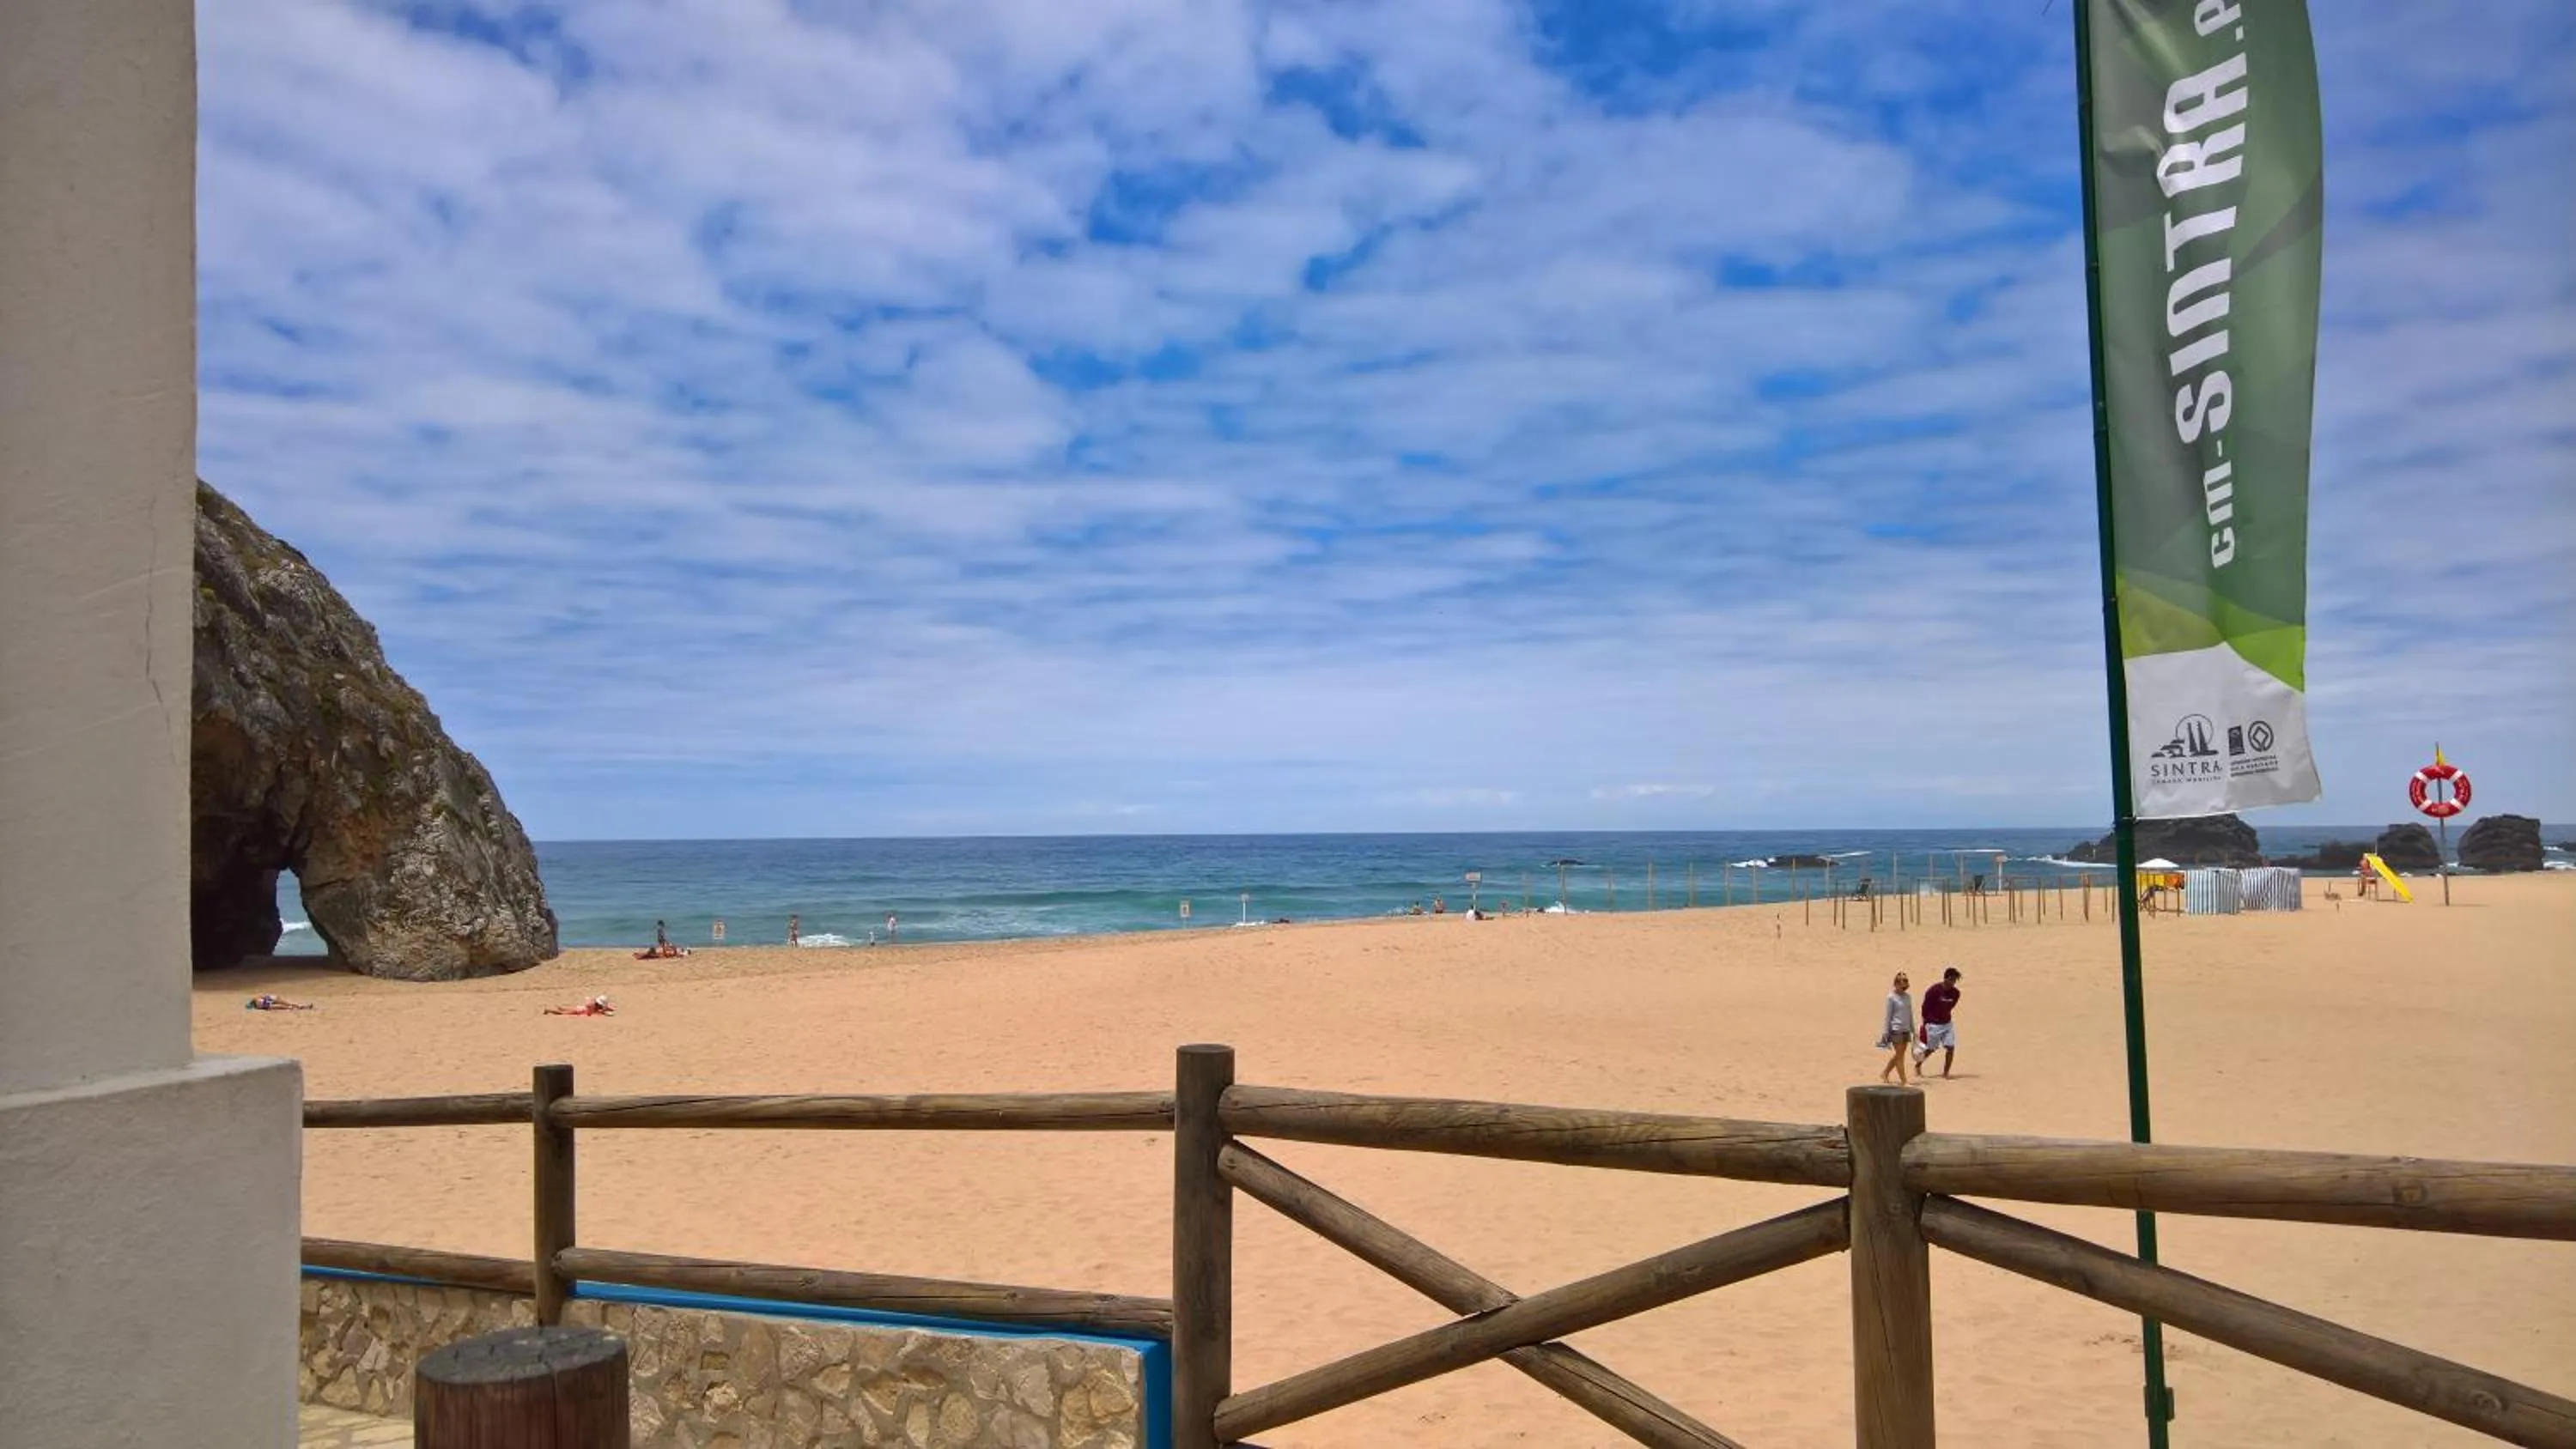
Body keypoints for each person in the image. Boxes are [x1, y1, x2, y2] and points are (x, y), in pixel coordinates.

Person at [1913, 967, 1963, 1078]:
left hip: (1947, 1024)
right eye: (1951, 979)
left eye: (1955, 980)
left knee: (1950, 1047)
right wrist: (1926, 1022)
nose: (1953, 983)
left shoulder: (1956, 993)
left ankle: (1946, 1073)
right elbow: (1925, 1008)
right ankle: (1918, 1065)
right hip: (1933, 1024)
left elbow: (1951, 1006)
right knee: (1931, 1049)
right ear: (1945, 978)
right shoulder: (1933, 991)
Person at [1876, 973, 1915, 1085]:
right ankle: (1904, 1081)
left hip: (1906, 1029)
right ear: (1896, 984)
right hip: (1895, 1029)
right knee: (1900, 1057)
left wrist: (1913, 1029)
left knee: (1899, 1055)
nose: (1904, 988)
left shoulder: (1908, 997)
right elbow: (1888, 1016)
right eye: (1903, 984)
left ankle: (1885, 1073)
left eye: (1906, 984)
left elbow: (1910, 1013)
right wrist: (1885, 1032)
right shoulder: (1891, 997)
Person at [544, 995, 614, 1016]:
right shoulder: (592, 1006)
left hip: (579, 1009)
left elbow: (609, 1008)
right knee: (562, 1013)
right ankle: (549, 1010)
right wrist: (603, 1012)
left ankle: (555, 1007)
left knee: (564, 1010)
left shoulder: (596, 1006)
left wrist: (606, 1010)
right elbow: (589, 1013)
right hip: (579, 1011)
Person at [245, 994, 313, 1011]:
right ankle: (300, 1006)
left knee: (285, 1005)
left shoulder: (257, 1002)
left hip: (265, 1001)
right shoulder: (256, 1000)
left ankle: (297, 1007)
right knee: (286, 1004)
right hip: (267, 1000)